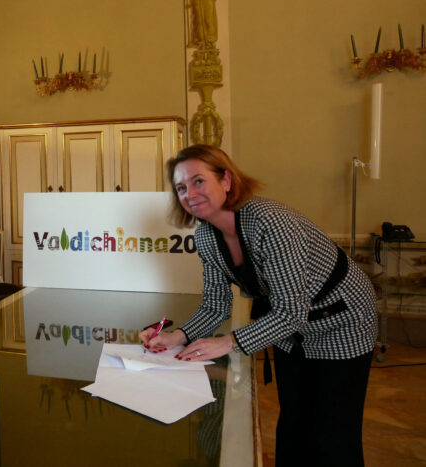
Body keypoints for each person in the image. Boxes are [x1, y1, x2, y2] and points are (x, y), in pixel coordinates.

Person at [139, 144, 377, 467]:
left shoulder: (271, 222)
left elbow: (291, 311)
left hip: (342, 320)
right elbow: (216, 305)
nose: (189, 194)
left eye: (198, 181)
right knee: (293, 423)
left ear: (226, 180)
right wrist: (177, 336)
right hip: (289, 327)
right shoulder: (207, 237)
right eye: (181, 187)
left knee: (334, 434)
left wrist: (228, 342)